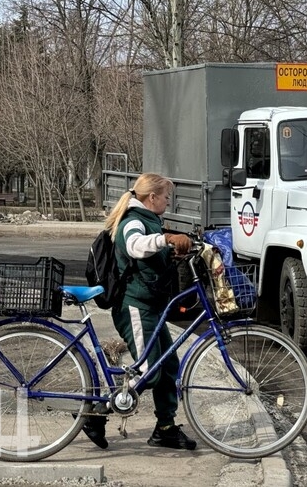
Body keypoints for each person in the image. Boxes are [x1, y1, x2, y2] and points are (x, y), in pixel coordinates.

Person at [90, 173, 196, 451]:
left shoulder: (150, 219)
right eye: (166, 197)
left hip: (152, 307)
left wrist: (170, 251)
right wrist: (166, 239)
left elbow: (150, 258)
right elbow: (136, 247)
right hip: (134, 306)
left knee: (169, 365)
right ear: (152, 197)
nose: (168, 201)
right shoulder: (133, 220)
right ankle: (96, 414)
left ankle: (166, 429)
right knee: (149, 371)